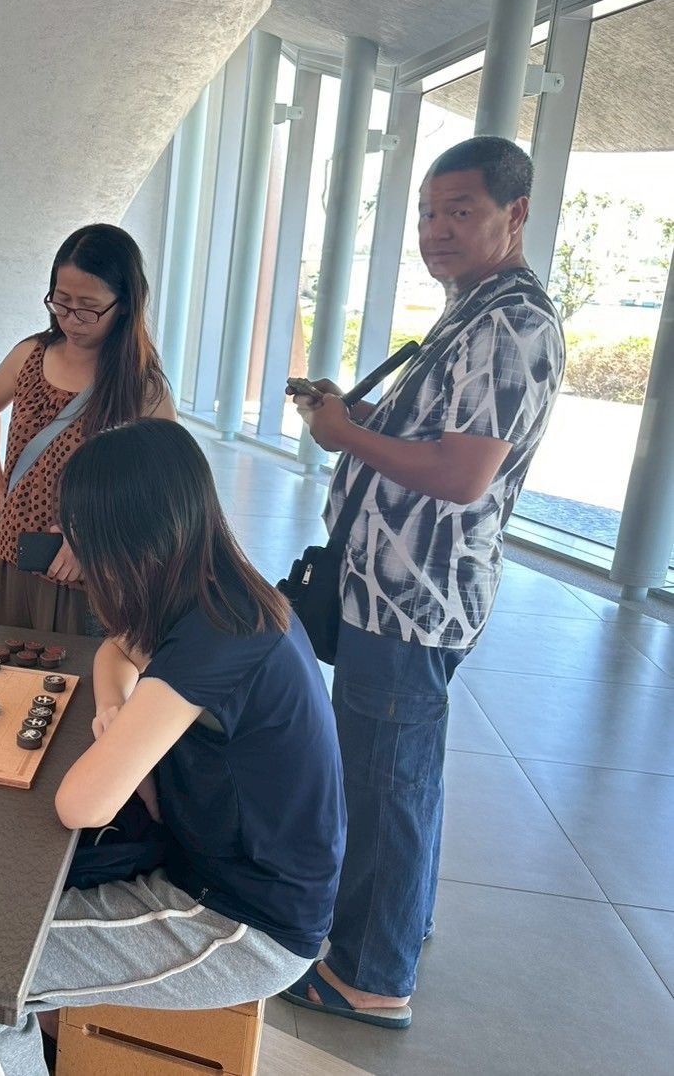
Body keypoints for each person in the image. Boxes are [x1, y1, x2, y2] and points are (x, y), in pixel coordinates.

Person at [0, 419, 345, 1076]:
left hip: (242, 921)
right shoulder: (221, 594)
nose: (66, 542)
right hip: (214, 868)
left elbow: (82, 803)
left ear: (125, 539)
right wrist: (117, 711)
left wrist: (126, 743)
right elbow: (115, 650)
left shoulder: (219, 638)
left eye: (77, 531)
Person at [282, 136, 565, 1028]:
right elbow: (441, 440)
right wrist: (359, 414)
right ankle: (398, 922)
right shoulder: (472, 310)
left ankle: (370, 975)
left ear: (514, 214)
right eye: (427, 212)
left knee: (385, 781)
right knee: (396, 771)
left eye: (460, 212)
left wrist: (342, 436)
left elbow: (461, 475)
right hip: (395, 587)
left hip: (414, 597)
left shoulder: (510, 324)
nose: (436, 230)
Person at [0, 223, 174, 634]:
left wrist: (96, 537)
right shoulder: (30, 356)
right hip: (14, 560)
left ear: (124, 305)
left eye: (88, 308)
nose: (72, 320)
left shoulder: (141, 387)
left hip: (89, 579)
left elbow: (167, 487)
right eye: (61, 302)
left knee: (69, 674)